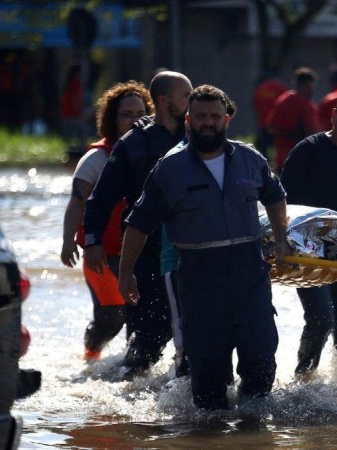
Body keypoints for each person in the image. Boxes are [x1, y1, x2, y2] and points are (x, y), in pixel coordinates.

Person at [118, 84, 290, 410]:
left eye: (214, 116)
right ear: (188, 122)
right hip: (200, 286)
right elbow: (138, 224)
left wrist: (281, 238)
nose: (208, 123)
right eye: (200, 117)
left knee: (261, 363)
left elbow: (275, 196)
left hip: (250, 280)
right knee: (209, 387)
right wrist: (126, 272)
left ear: (226, 120)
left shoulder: (251, 159)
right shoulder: (169, 169)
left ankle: (253, 434)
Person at [83, 70, 193, 378]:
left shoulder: (197, 136)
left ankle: (187, 391)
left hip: (189, 247)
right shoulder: (133, 143)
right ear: (163, 100)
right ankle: (126, 393)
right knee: (148, 337)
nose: (191, 101)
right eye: (185, 95)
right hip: (146, 250)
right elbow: (100, 199)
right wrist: (92, 241)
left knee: (194, 328)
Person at [280, 90, 337, 378]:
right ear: (333, 116)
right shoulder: (308, 150)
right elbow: (281, 203)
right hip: (308, 250)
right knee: (321, 319)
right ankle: (303, 379)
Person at [61, 80, 153, 361]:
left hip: (140, 249)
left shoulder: (156, 153)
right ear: (113, 119)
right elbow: (77, 202)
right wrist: (69, 242)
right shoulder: (96, 158)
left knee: (145, 314)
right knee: (111, 316)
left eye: (141, 114)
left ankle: (133, 368)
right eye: (127, 114)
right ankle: (91, 356)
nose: (135, 120)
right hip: (101, 250)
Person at [266, 66, 319, 171]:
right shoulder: (305, 104)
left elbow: (271, 126)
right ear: (308, 85)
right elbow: (312, 132)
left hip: (281, 158)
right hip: (300, 158)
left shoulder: (282, 99)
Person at [252, 70, 287, 158]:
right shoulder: (280, 88)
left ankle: (264, 165)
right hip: (278, 124)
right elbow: (287, 103)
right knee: (279, 147)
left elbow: (256, 105)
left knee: (263, 147)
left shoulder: (260, 88)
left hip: (263, 123)